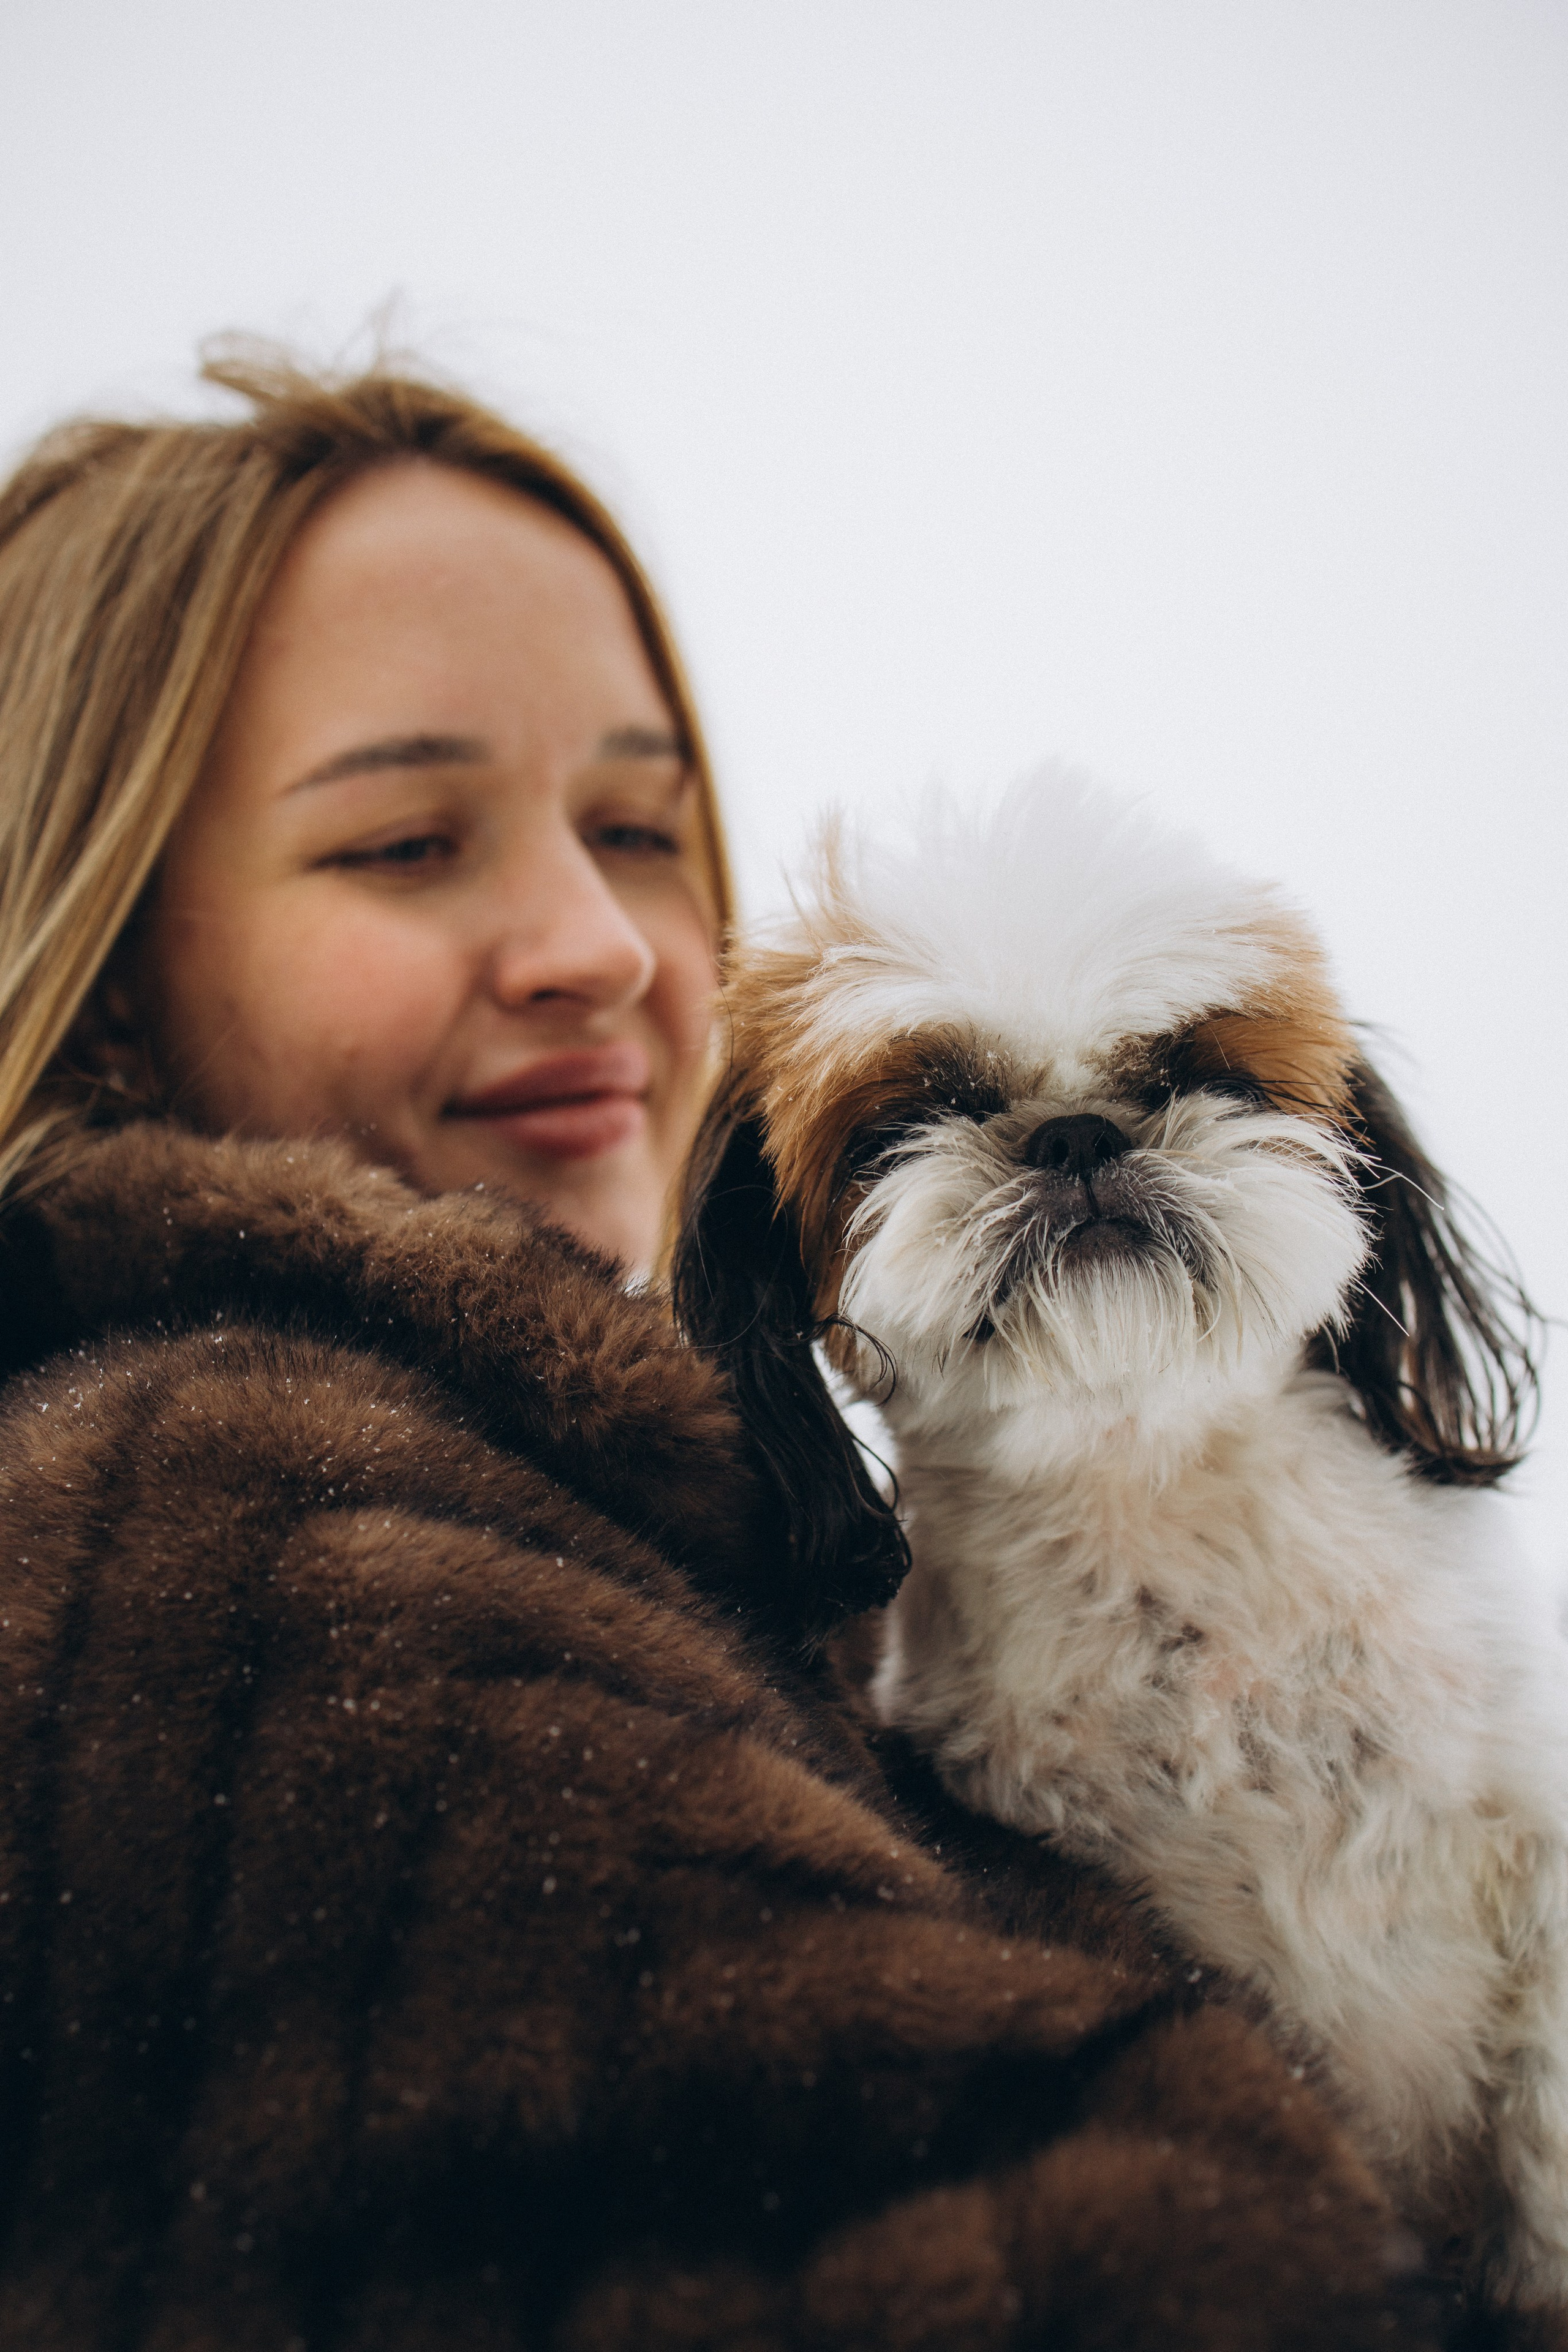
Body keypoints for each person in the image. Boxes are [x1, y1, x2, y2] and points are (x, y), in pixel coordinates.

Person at [0, 354, 1442, 2351]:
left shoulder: (662, 1538)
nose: (600, 942)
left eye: (641, 825)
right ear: (98, 958)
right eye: (406, 841)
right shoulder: (247, 1546)